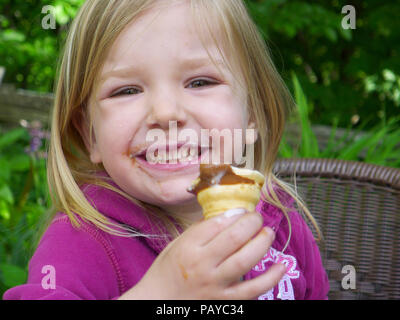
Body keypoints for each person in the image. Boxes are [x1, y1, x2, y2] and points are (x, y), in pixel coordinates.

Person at [3, 0, 329, 300]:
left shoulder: (282, 226)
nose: (165, 113)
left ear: (253, 112)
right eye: (126, 90)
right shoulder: (80, 245)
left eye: (200, 82)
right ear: (90, 134)